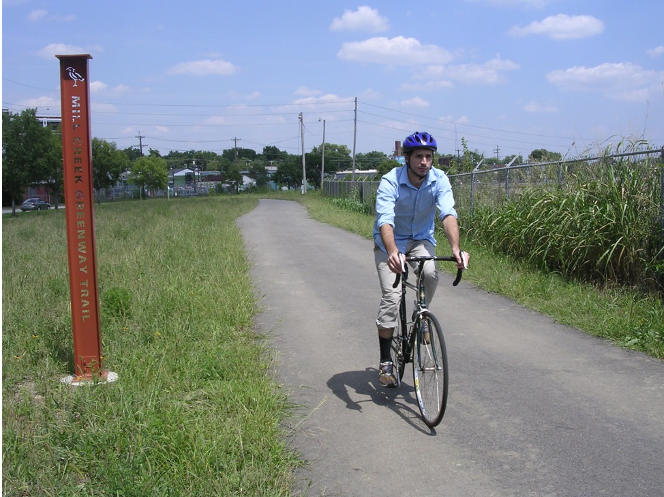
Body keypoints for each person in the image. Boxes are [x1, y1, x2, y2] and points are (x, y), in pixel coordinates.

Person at [373, 131, 467, 387]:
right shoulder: (390, 180)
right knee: (392, 297)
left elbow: (448, 213)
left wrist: (456, 248)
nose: (424, 161)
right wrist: (393, 252)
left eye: (428, 156)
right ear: (407, 158)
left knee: (429, 274)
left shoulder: (439, 180)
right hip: (390, 242)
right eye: (418, 156)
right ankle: (385, 362)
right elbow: (385, 219)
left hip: (421, 239)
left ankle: (420, 314)